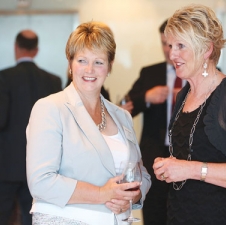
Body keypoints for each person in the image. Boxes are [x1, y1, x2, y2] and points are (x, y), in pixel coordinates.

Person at [152, 4, 226, 225]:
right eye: (170, 45)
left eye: (180, 46)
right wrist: (169, 167)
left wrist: (191, 169)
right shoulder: (184, 95)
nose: (172, 53)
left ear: (206, 49)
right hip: (179, 216)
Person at [26, 21, 151, 225]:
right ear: (70, 64)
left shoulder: (122, 116)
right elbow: (41, 181)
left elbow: (141, 174)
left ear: (109, 66)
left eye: (99, 62)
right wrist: (102, 194)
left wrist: (132, 197)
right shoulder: (50, 108)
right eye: (82, 60)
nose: (90, 70)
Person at [0, 29, 62, 225]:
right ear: (36, 50)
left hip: (5, 166)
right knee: (35, 218)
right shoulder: (53, 80)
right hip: (41, 165)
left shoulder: (3, 77)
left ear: (16, 47)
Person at [126, 19, 184, 225]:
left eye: (174, 44)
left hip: (190, 157)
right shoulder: (149, 73)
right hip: (154, 157)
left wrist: (190, 96)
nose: (168, 50)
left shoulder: (200, 73)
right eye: (164, 44)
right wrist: (146, 97)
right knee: (154, 214)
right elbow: (124, 107)